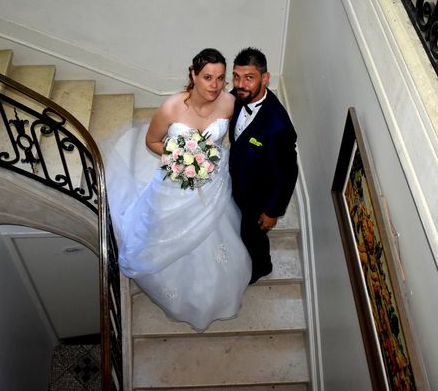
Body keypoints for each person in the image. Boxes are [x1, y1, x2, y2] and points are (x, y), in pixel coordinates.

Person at [102, 48, 251, 331]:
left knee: (219, 235)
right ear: (193, 75)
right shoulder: (171, 108)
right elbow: (152, 141)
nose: (215, 85)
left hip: (214, 180)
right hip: (176, 181)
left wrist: (215, 157)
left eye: (220, 78)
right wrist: (181, 158)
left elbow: (231, 137)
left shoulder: (230, 104)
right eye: (207, 77)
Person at [228, 47, 298, 284]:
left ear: (265, 78)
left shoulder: (279, 127)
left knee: (252, 234)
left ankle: (261, 267)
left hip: (258, 198)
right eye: (236, 76)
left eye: (249, 77)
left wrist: (272, 212)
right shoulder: (239, 95)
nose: (240, 83)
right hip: (237, 179)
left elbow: (288, 174)